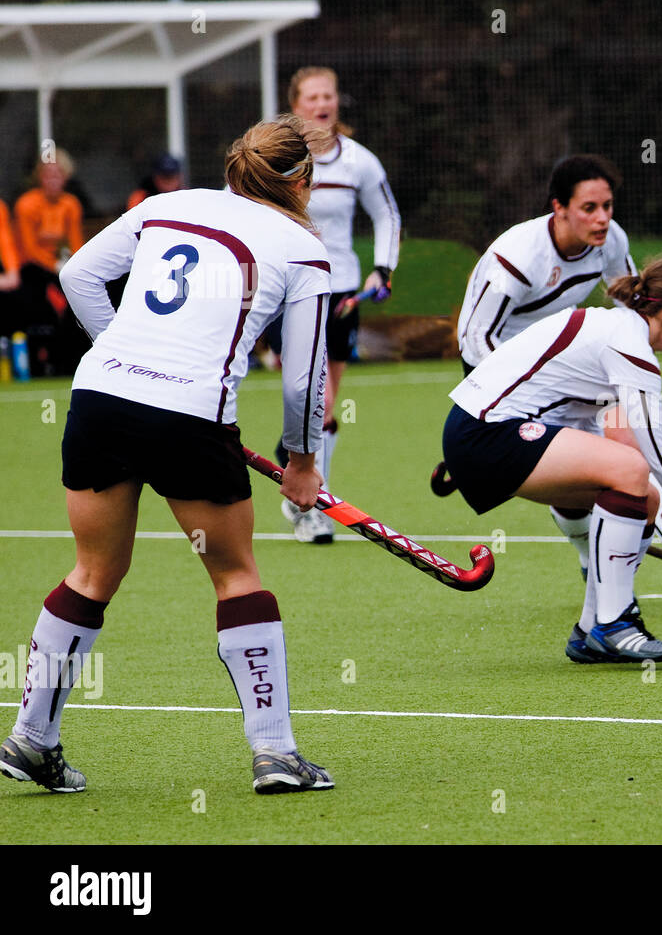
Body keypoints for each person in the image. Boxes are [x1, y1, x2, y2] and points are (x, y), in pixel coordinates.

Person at [0, 115, 335, 796]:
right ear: (302, 180)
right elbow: (303, 377)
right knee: (237, 576)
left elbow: (77, 275)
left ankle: (31, 739)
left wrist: (124, 356)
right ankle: (276, 754)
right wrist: (302, 463)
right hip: (190, 413)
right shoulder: (304, 250)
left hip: (101, 399)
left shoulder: (167, 205)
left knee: (92, 574)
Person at [444, 254, 662, 663]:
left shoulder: (618, 332)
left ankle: (591, 627)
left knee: (642, 497)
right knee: (632, 470)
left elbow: (623, 440)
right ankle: (614, 625)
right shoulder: (627, 342)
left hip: (484, 432)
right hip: (486, 434)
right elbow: (656, 446)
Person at [456, 155, 662, 607]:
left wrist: (626, 376)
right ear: (558, 208)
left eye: (608, 206)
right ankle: (593, 563)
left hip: (577, 361)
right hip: (502, 375)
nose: (602, 218)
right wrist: (516, 399)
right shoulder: (518, 258)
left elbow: (633, 313)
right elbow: (474, 339)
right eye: (589, 208)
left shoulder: (611, 240)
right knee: (592, 473)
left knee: (630, 446)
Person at [271, 65, 401, 543]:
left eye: (329, 96)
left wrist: (383, 267)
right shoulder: (274, 156)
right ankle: (310, 505)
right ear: (296, 104)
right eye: (313, 97)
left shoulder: (358, 162)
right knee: (312, 396)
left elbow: (386, 213)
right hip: (288, 289)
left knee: (323, 401)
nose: (322, 104)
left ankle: (301, 490)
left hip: (342, 291)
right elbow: (234, 202)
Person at [12, 149, 85, 375]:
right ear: (40, 177)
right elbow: (30, 249)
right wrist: (56, 267)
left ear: (66, 177)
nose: (53, 180)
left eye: (58, 174)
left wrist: (75, 266)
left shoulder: (71, 204)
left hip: (59, 267)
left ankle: (71, 361)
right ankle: (36, 363)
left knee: (78, 299)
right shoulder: (27, 204)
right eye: (48, 175)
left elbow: (75, 243)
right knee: (38, 304)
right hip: (33, 269)